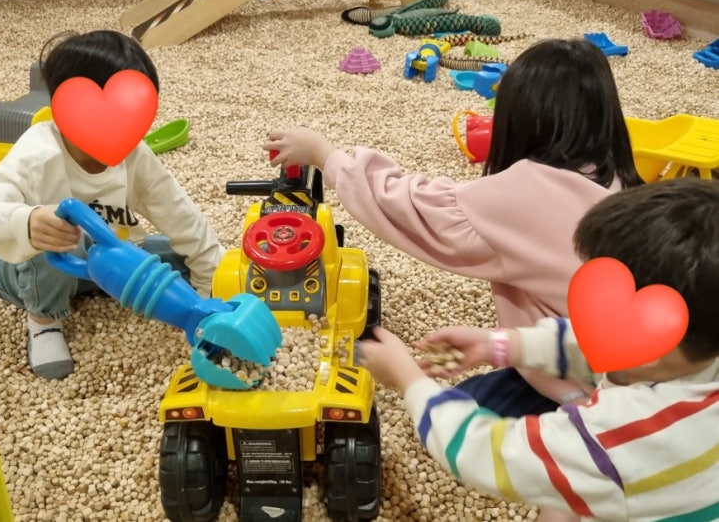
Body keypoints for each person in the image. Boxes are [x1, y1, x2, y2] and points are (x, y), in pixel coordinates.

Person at [263, 37, 644, 416]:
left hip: (594, 390)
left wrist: (324, 155)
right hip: (647, 369)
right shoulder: (621, 181)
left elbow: (408, 205)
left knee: (456, 413)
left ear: (522, 120)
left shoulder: (528, 190)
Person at [358, 176, 719, 521]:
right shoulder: (690, 359)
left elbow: (485, 451)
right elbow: (594, 343)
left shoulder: (618, 438)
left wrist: (408, 378)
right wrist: (499, 345)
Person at [0, 30, 222, 380]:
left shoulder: (134, 154)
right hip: (25, 271)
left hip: (102, 261)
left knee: (179, 257)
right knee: (63, 235)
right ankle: (43, 323)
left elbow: (181, 214)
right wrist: (26, 222)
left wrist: (206, 292)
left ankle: (100, 285)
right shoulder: (39, 153)